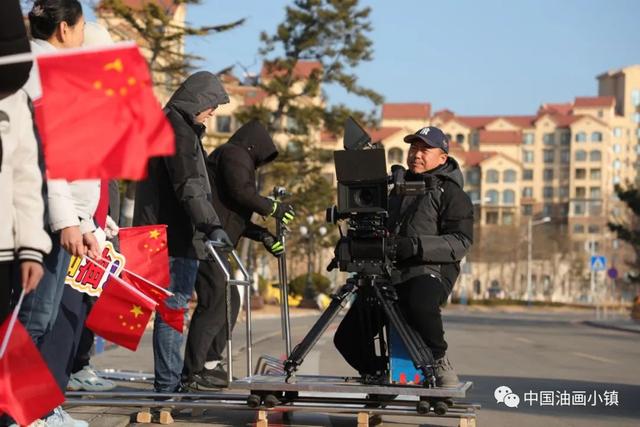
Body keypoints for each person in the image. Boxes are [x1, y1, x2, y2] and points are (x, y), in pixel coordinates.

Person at [334, 126, 473, 387]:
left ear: (442, 157)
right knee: (347, 338)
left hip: (429, 271)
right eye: (413, 148)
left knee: (419, 304)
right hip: (387, 273)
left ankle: (439, 360)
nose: (416, 155)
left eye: (424, 149)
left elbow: (461, 242)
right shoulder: (395, 189)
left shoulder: (452, 193)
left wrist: (415, 246)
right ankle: (380, 375)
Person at [133, 71, 232, 394]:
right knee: (172, 310)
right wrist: (211, 225)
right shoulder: (178, 130)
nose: (213, 111)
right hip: (174, 237)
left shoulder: (171, 125)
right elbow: (189, 184)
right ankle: (168, 385)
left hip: (160, 233)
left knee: (167, 311)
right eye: (212, 104)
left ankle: (169, 382)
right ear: (198, 100)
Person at [182, 120, 295, 389]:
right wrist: (272, 208)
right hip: (207, 239)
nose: (262, 164)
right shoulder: (235, 154)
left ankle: (209, 361)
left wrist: (264, 236)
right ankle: (192, 372)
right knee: (215, 301)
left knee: (229, 297)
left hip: (219, 240)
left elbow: (235, 218)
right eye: (263, 158)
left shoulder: (238, 158)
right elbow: (241, 193)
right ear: (255, 146)